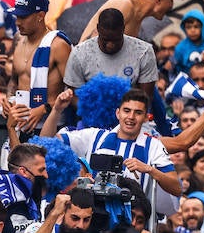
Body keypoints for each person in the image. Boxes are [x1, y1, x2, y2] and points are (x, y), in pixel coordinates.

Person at [45, 88, 180, 220]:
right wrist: (57, 110)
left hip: (131, 224)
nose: (131, 117)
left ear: (146, 118)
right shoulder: (95, 136)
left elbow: (176, 188)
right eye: (126, 111)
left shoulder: (153, 146)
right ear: (117, 113)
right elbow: (46, 142)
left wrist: (149, 169)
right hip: (91, 219)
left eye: (138, 113)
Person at [8, 0, 70, 134]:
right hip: (20, 125)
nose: (17, 22)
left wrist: (43, 108)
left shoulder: (58, 45)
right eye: (17, 16)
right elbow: (13, 81)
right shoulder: (18, 41)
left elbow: (73, 92)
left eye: (23, 17)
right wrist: (9, 100)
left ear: (40, 16)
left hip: (49, 126)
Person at [64, 8, 159, 98]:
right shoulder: (79, 53)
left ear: (123, 29)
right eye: (105, 40)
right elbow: (74, 96)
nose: (110, 45)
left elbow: (146, 97)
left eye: (116, 40)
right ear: (98, 29)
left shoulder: (144, 52)